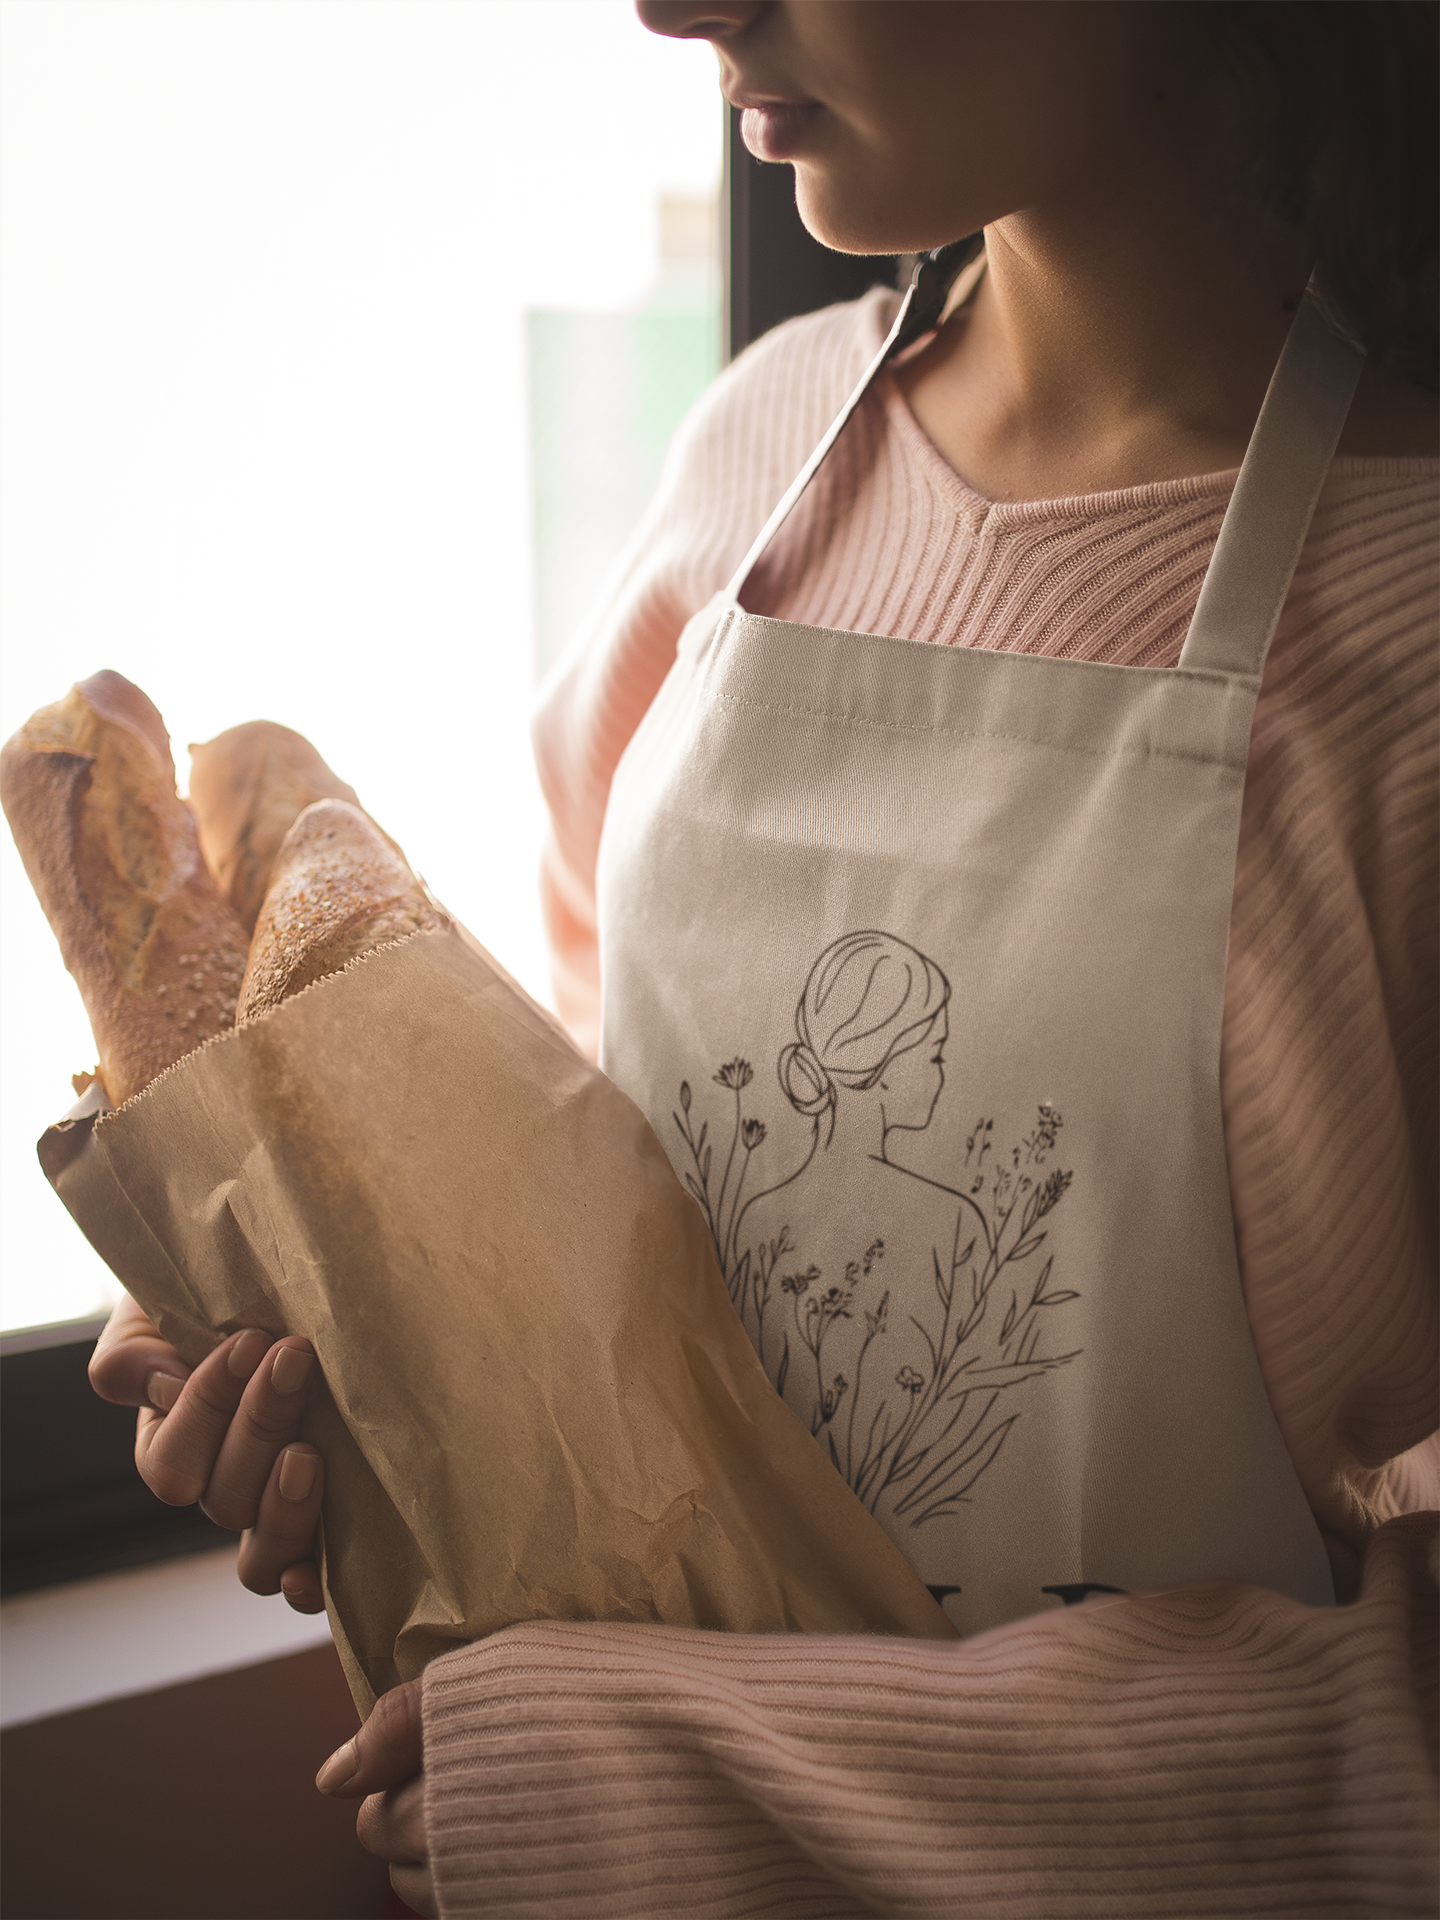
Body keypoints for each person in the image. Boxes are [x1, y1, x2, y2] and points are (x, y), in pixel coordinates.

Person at [88, 3, 1437, 1914]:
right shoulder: (752, 463)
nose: (672, 2)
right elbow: (606, 1228)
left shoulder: (1414, 641)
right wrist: (361, 1358)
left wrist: (662, 1776)